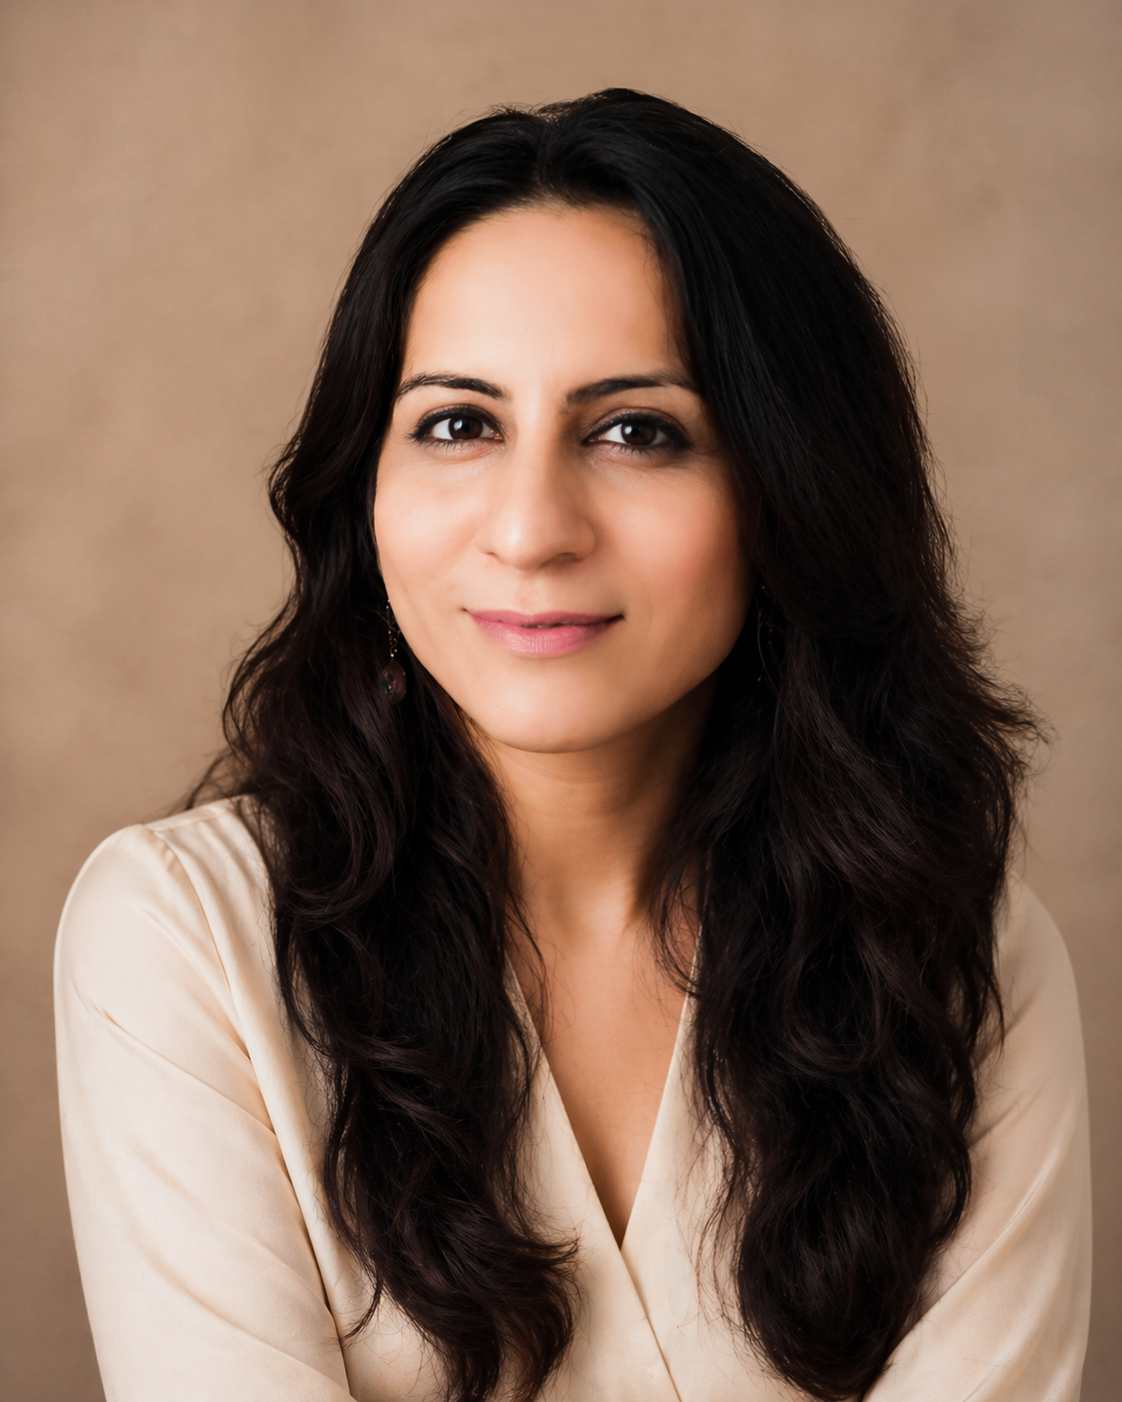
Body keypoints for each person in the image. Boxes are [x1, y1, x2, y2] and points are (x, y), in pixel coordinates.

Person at [54, 90, 1090, 1402]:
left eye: (634, 429)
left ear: (790, 491)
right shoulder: (180, 936)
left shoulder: (958, 952)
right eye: (456, 423)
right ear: (362, 491)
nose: (531, 528)